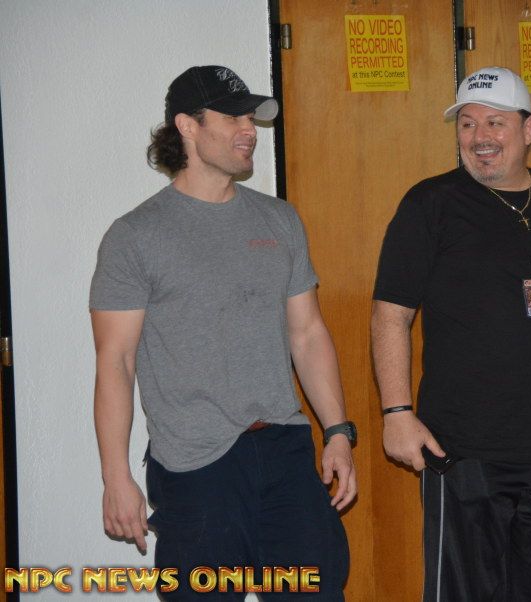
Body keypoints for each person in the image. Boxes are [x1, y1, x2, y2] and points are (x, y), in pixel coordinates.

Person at [90, 65, 355, 600]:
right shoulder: (135, 236)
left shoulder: (279, 220)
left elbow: (307, 334)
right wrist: (115, 477)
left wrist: (338, 432)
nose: (249, 129)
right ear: (187, 126)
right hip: (195, 465)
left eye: (251, 117)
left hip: (284, 449)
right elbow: (115, 361)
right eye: (233, 117)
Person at [371, 66, 531, 602]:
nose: (480, 137)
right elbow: (391, 314)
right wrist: (397, 413)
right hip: (466, 449)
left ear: (528, 129)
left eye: (495, 122)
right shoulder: (430, 204)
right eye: (467, 123)